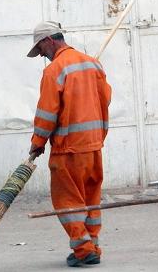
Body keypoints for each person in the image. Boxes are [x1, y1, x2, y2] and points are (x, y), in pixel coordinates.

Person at [27, 21, 111, 267]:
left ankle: (84, 250)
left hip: (69, 150)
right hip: (93, 147)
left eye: (40, 49)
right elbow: (106, 99)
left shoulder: (55, 71)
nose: (41, 55)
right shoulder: (93, 64)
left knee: (68, 201)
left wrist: (37, 143)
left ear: (48, 41)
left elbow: (47, 113)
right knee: (90, 198)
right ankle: (92, 244)